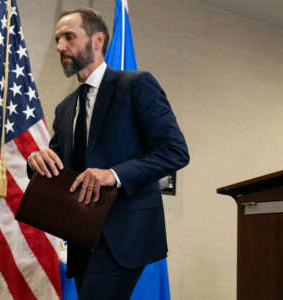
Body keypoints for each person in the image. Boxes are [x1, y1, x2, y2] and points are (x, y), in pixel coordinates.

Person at [27, 8, 189, 300]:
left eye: (68, 37)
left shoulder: (136, 85)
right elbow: (56, 165)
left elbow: (175, 151)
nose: (60, 47)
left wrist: (113, 175)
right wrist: (35, 161)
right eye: (57, 40)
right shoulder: (66, 108)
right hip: (81, 238)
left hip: (125, 235)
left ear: (97, 40)